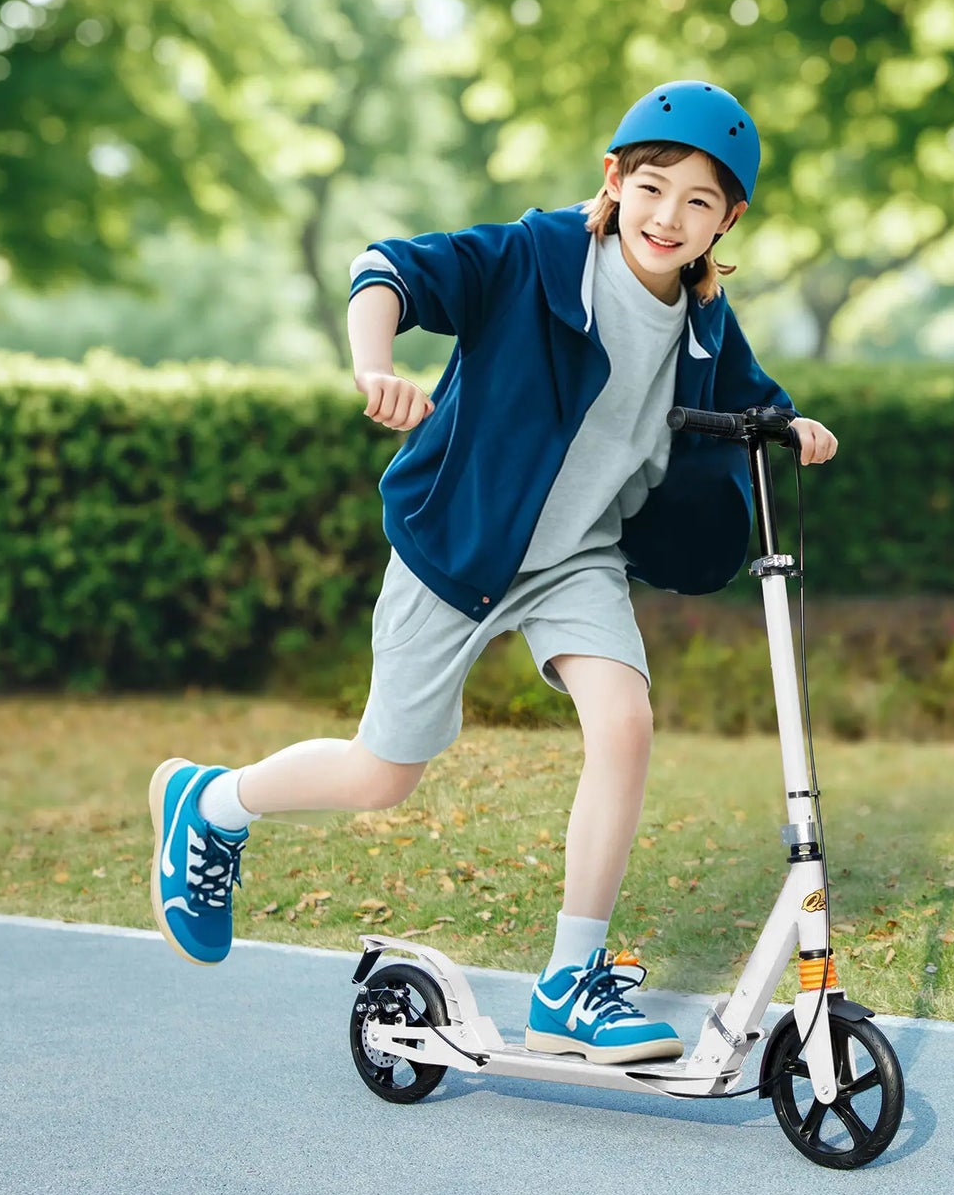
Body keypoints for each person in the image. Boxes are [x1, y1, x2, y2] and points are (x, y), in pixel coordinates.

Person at [149, 80, 838, 1065]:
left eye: (697, 202)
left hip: (574, 560)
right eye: (651, 186)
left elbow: (747, 396)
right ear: (612, 178)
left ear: (726, 219)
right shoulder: (533, 257)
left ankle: (570, 980)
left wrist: (790, 423)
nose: (667, 216)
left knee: (625, 722)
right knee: (381, 774)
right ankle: (210, 802)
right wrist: (373, 362)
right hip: (460, 546)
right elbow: (389, 269)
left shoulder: (701, 317)